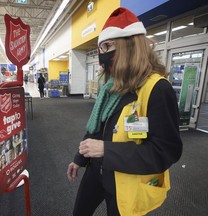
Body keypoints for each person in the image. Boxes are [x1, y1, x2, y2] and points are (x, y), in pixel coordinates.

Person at [66, 7, 183, 216]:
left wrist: (106, 150)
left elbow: (165, 152)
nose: (102, 55)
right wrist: (79, 158)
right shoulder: (111, 85)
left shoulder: (157, 89)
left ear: (130, 46)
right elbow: (97, 127)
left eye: (108, 46)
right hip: (97, 170)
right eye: (100, 48)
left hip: (126, 180)